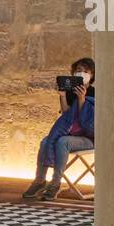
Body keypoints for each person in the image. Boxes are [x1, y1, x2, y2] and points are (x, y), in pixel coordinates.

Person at [22, 58, 96, 202]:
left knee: (62, 142)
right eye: (78, 70)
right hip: (72, 133)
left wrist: (82, 100)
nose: (81, 73)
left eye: (85, 71)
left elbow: (87, 122)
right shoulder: (70, 91)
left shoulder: (93, 93)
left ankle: (55, 183)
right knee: (45, 141)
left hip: (89, 137)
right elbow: (66, 116)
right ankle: (39, 181)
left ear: (92, 75)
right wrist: (62, 97)